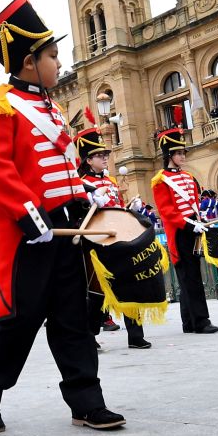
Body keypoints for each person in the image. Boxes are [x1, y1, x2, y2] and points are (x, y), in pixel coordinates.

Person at [0, 0, 124, 432]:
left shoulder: (52, 108)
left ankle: (86, 401)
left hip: (66, 228)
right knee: (19, 319)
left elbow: (61, 165)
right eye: (53, 55)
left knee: (73, 317)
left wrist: (84, 196)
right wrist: (28, 215)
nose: (59, 62)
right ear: (29, 61)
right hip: (27, 231)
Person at [75, 116, 151, 349]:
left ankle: (135, 336)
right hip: (97, 242)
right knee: (97, 290)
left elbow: (115, 208)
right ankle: (90, 336)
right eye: (100, 155)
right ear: (89, 160)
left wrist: (130, 208)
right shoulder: (80, 184)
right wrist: (90, 201)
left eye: (105, 154)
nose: (105, 158)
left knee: (130, 284)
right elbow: (82, 216)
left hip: (120, 238)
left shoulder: (110, 181)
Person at [150, 119, 218, 334]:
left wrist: (200, 220)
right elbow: (167, 212)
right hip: (180, 232)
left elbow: (194, 203)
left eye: (183, 152)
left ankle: (188, 322)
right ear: (169, 155)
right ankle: (201, 321)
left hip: (193, 228)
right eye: (178, 153)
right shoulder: (160, 180)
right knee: (190, 277)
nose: (183, 156)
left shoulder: (188, 176)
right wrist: (190, 226)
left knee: (191, 275)